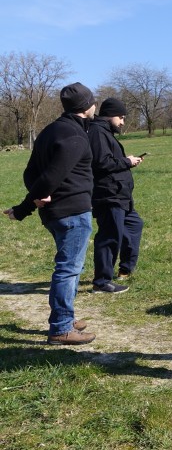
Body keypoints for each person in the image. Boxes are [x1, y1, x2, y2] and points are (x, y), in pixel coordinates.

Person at [3, 82, 98, 345]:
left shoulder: (51, 131)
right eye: (93, 102)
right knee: (68, 269)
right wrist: (26, 206)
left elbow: (30, 173)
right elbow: (51, 176)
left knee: (72, 267)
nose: (95, 106)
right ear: (86, 106)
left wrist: (37, 196)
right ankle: (61, 328)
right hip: (72, 212)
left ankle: (66, 316)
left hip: (56, 214)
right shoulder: (74, 136)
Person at [88, 97, 144, 294]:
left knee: (134, 224)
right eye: (120, 117)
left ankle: (125, 269)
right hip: (108, 195)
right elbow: (101, 163)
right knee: (109, 236)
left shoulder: (105, 132)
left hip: (120, 194)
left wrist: (127, 161)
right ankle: (101, 282)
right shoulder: (97, 132)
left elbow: (109, 160)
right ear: (110, 115)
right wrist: (127, 162)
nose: (122, 122)